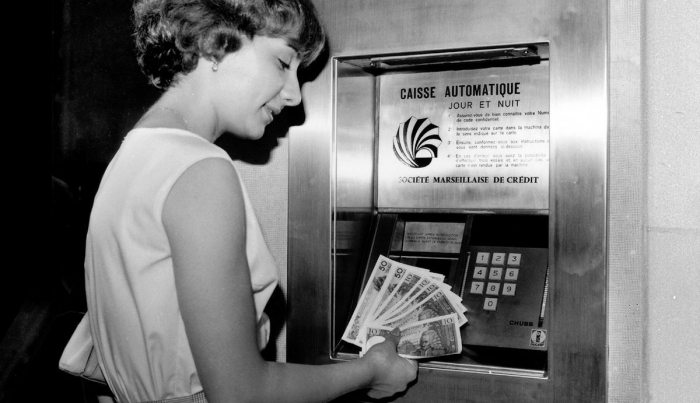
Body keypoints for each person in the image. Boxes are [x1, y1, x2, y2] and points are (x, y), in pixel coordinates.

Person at [59, 0, 417, 402]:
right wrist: (371, 371)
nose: (294, 97)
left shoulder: (132, 154)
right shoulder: (200, 170)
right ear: (215, 42)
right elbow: (241, 394)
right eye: (283, 63)